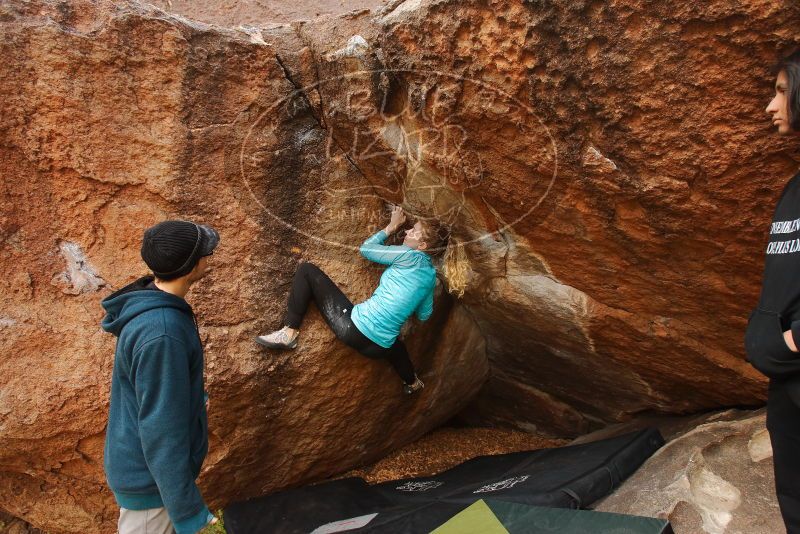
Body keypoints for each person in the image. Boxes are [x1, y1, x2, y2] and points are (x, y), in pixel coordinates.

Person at [256, 205, 468, 394]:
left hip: (353, 329)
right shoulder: (431, 278)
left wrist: (391, 227)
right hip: (380, 348)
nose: (408, 230)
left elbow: (366, 250)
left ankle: (289, 333)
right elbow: (424, 315)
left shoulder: (407, 255)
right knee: (397, 347)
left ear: (421, 246)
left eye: (414, 231)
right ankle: (411, 382)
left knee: (307, 270)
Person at [100, 220, 220, 534]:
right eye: (206, 253)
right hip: (151, 486)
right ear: (193, 266)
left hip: (150, 474)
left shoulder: (154, 306)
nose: (211, 256)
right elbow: (160, 430)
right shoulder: (162, 333)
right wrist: (187, 509)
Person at [745, 49, 800, 534]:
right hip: (788, 391)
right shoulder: (795, 187)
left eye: (781, 91)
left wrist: (793, 341)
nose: (770, 105)